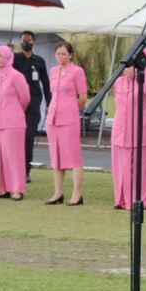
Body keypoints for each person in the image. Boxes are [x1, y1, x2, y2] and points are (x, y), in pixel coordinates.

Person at [109, 62, 146, 210]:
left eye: (130, 66)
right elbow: (117, 102)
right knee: (121, 165)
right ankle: (122, 199)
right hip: (120, 129)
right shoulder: (118, 82)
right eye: (125, 67)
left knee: (141, 167)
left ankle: (141, 201)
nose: (127, 70)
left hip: (141, 130)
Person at [45, 40, 88, 205]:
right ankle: (58, 192)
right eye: (58, 54)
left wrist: (72, 109)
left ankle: (77, 193)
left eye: (63, 53)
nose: (60, 57)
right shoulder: (53, 71)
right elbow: (52, 93)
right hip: (53, 117)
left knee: (73, 156)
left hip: (69, 117)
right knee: (56, 156)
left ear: (70, 55)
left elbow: (83, 96)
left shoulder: (77, 72)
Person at [0, 44, 32, 200]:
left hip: (13, 121)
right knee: (1, 155)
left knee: (14, 155)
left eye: (0, 56)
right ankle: (3, 187)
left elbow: (25, 98)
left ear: (8, 57)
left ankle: (17, 188)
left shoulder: (16, 76)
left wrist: (15, 111)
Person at [13, 31, 52, 172]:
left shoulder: (39, 61)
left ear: (33, 42)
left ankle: (26, 169)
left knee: (28, 136)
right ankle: (15, 168)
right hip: (16, 104)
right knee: (16, 138)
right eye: (23, 40)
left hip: (33, 104)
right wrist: (7, 53)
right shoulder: (14, 59)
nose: (26, 43)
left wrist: (49, 103)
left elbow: (46, 83)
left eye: (28, 40)